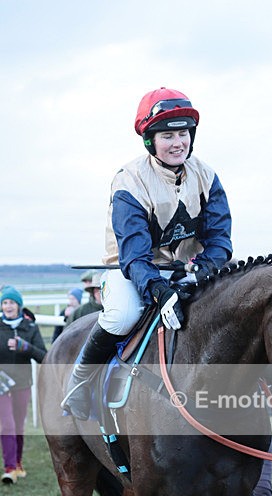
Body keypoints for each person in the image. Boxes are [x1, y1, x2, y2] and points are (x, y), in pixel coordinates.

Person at [62, 86, 232, 420]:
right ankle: (79, 384)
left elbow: (221, 239)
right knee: (123, 315)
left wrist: (202, 268)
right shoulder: (130, 181)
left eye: (183, 133)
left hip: (188, 270)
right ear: (149, 140)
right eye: (167, 135)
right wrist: (157, 288)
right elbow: (135, 255)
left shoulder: (207, 175)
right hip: (132, 271)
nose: (177, 142)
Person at [0, 286, 47, 483]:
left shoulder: (31, 328)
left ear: (19, 305)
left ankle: (18, 463)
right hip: (1, 383)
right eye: (4, 302)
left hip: (22, 382)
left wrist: (24, 347)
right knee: (7, 424)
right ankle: (9, 467)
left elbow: (43, 355)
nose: (7, 306)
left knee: (18, 425)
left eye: (11, 302)